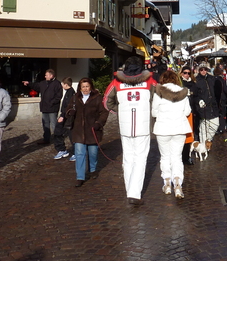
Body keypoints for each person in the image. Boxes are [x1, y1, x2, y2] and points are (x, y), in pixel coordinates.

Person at [104, 56, 158, 205]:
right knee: (140, 158)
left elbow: (106, 102)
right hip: (143, 125)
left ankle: (130, 189)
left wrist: (120, 111)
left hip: (125, 126)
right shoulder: (149, 81)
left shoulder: (116, 82)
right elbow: (158, 99)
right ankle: (134, 193)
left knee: (128, 158)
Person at [152, 70, 192, 199]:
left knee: (165, 157)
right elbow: (187, 112)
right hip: (179, 128)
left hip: (163, 128)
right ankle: (178, 184)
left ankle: (167, 182)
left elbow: (154, 113)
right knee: (177, 157)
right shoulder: (183, 92)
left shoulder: (159, 93)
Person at [65, 78, 109, 187]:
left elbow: (104, 112)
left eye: (87, 86)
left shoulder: (97, 98)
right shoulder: (75, 98)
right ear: (80, 88)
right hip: (78, 131)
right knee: (80, 153)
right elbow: (67, 109)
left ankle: (93, 169)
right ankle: (80, 176)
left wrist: (99, 123)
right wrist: (70, 112)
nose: (85, 89)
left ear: (91, 87)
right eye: (83, 87)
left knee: (93, 153)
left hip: (92, 130)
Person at [22, 69, 63, 145]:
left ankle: (57, 140)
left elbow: (59, 96)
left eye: (46, 75)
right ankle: (46, 139)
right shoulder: (43, 83)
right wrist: (29, 83)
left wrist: (52, 103)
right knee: (45, 125)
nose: (45, 76)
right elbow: (36, 86)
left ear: (51, 75)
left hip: (52, 108)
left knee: (54, 125)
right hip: (44, 107)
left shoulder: (57, 84)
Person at [194, 62, 219, 146]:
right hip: (203, 107)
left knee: (215, 125)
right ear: (199, 71)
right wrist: (199, 102)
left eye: (205, 69)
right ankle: (203, 147)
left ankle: (208, 140)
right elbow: (195, 95)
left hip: (213, 106)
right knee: (203, 129)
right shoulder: (196, 80)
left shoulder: (212, 78)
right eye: (201, 70)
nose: (203, 71)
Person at [53, 77, 75, 160]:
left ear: (66, 84)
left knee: (71, 135)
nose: (62, 86)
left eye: (62, 84)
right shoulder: (68, 92)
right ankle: (62, 150)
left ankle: (75, 152)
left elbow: (68, 107)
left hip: (68, 117)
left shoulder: (71, 94)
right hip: (64, 115)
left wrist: (62, 116)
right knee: (58, 132)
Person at [179, 66, 198, 164]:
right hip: (181, 112)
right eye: (185, 73)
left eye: (188, 73)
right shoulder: (179, 83)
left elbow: (196, 96)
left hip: (191, 112)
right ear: (181, 73)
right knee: (180, 134)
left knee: (189, 135)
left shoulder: (193, 84)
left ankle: (186, 156)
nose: (186, 75)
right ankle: (180, 156)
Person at [213, 66, 227, 134]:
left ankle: (216, 127)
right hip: (222, 99)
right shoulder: (222, 80)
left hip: (215, 99)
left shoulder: (212, 79)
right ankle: (221, 128)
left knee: (216, 114)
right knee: (222, 114)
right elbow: (226, 90)